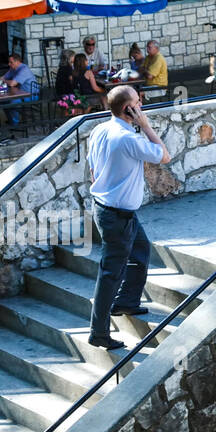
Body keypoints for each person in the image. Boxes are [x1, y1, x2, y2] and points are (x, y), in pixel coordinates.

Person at [85, 85, 170, 350]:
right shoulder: (128, 139)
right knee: (110, 273)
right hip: (116, 216)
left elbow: (92, 170)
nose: (141, 106)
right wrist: (145, 125)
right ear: (128, 109)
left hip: (113, 211)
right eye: (138, 103)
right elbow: (164, 156)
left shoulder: (100, 129)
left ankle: (127, 302)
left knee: (141, 250)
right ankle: (98, 332)